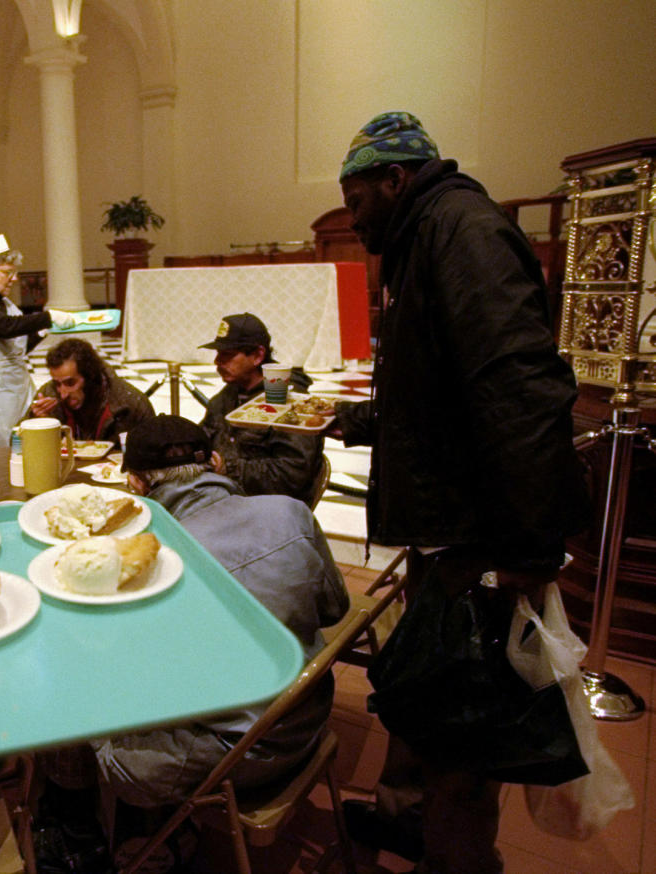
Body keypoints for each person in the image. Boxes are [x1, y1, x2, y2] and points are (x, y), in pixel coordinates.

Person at [332, 111, 589, 874]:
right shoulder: (422, 235)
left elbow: (519, 393)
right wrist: (363, 419)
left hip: (479, 543)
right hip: (445, 535)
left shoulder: (463, 234)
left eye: (356, 201)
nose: (352, 219)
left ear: (394, 178)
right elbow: (436, 385)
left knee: (465, 738)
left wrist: (530, 549)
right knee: (422, 703)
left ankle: (458, 861)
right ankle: (404, 822)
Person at [90, 415, 349, 811]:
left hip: (244, 752)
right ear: (216, 462)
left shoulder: (156, 564)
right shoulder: (290, 512)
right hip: (309, 713)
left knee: (95, 725)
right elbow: (335, 609)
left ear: (137, 485)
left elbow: (141, 675)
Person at [0, 233, 76, 446]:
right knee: (0, 447)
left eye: (15, 272)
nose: (14, 278)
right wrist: (48, 317)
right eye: (7, 272)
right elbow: (5, 328)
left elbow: (17, 347)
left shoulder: (4, 302)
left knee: (25, 441)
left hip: (15, 386)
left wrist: (43, 331)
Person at [199, 313, 325, 505]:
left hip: (271, 509)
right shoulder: (228, 395)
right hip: (225, 499)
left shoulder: (290, 399)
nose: (217, 362)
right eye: (218, 354)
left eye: (228, 355)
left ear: (257, 355)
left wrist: (228, 468)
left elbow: (290, 475)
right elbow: (203, 438)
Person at [31, 337, 154, 445]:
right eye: (57, 384)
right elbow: (16, 443)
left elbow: (155, 456)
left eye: (70, 383)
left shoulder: (131, 403)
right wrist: (38, 425)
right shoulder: (48, 395)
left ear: (90, 376)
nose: (63, 394)